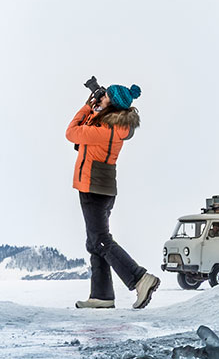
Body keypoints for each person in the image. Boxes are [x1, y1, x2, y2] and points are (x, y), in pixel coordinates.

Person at [68, 82, 159, 309]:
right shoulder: (112, 126)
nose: (101, 97)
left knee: (101, 240)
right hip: (101, 187)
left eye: (106, 95)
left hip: (93, 188)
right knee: (94, 242)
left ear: (113, 105)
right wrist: (97, 107)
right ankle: (102, 296)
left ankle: (139, 278)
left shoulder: (105, 131)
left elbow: (71, 133)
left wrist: (87, 106)